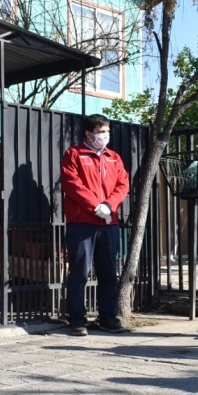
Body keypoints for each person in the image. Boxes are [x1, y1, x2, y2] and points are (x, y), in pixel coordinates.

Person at [61, 114, 130, 336]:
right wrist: (95, 206)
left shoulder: (114, 157)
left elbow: (123, 184)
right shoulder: (74, 154)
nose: (105, 135)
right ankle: (77, 319)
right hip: (82, 223)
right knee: (79, 272)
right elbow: (72, 184)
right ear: (89, 134)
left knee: (108, 272)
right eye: (101, 132)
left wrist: (109, 205)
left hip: (109, 222)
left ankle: (107, 317)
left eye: (107, 131)